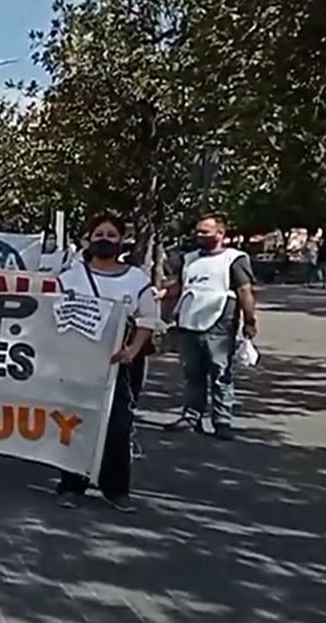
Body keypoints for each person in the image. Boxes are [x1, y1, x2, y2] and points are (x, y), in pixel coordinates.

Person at [54, 214, 158, 512]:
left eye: (112, 235)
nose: (105, 239)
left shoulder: (136, 279)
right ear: (88, 238)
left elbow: (147, 319)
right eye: (99, 233)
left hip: (122, 365)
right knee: (76, 422)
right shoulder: (69, 277)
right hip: (79, 363)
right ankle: (72, 485)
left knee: (118, 426)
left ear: (121, 240)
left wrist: (132, 350)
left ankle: (116, 488)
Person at [163, 213, 256, 440]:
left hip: (219, 324)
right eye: (198, 231)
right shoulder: (190, 259)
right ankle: (191, 416)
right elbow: (181, 286)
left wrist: (249, 321)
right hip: (189, 323)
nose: (199, 235)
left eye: (205, 231)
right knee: (192, 374)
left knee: (220, 373)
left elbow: (245, 291)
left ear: (221, 234)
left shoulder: (234, 259)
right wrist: (162, 295)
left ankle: (222, 421)